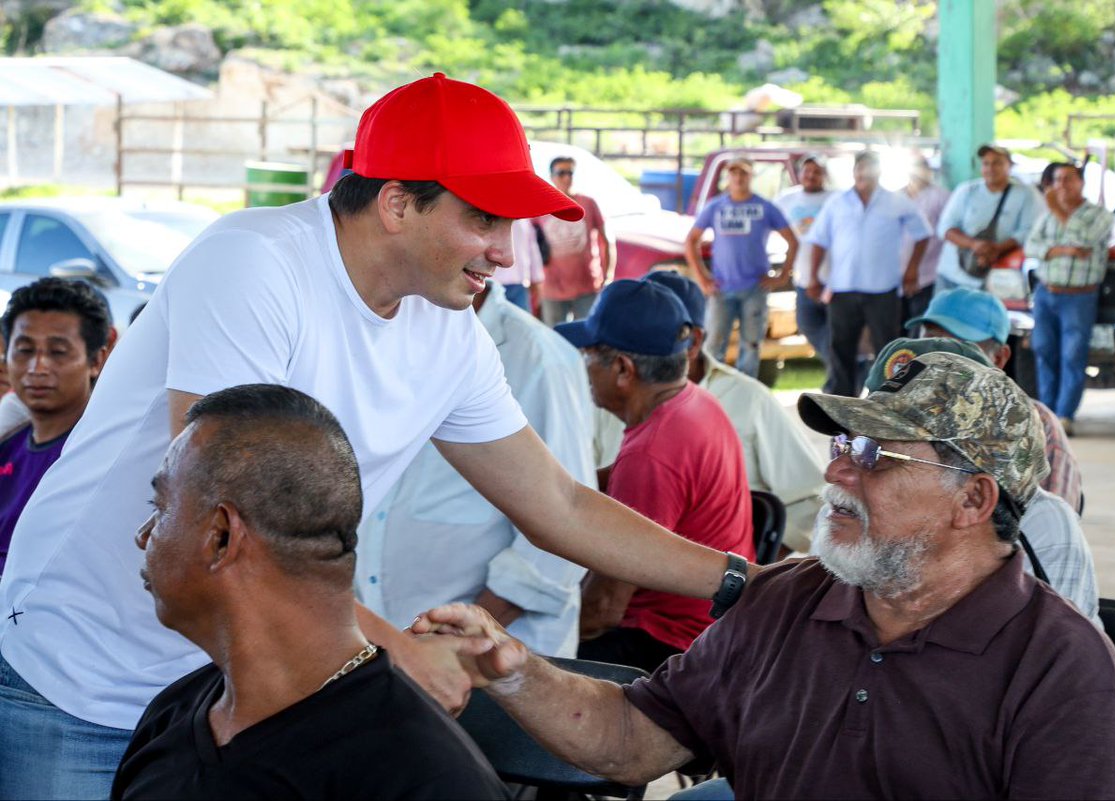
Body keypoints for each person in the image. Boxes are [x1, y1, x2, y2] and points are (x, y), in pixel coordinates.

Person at [0, 74, 746, 800]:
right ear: (396, 203)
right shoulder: (255, 263)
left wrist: (741, 581)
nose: (507, 252)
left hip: (240, 685)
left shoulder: (448, 328)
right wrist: (387, 649)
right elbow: (223, 507)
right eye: (485, 219)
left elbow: (558, 503)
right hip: (83, 675)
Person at [418, 352, 1115, 799]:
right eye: (843, 442)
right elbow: (635, 736)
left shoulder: (1063, 675)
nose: (836, 468)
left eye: (876, 454)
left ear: (974, 499)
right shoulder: (789, 599)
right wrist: (515, 670)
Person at [112, 384, 507, 800]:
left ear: (222, 538)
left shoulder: (427, 776)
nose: (143, 536)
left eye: (160, 508)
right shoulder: (173, 713)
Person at [356, 279, 593, 657]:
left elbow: (561, 541)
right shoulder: (382, 340)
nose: (503, 252)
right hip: (385, 649)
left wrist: (456, 643)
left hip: (496, 660)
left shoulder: (538, 358)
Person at [557, 279, 755, 673]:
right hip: (718, 624)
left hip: (670, 645)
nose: (584, 368)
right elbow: (615, 483)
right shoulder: (696, 402)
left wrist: (527, 642)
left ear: (622, 369)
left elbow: (603, 608)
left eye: (589, 355)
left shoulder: (650, 454)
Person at [857, 337, 1099, 626]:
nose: (839, 472)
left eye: (884, 453)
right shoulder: (850, 503)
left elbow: (1051, 650)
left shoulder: (1042, 522)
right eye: (858, 441)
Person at [594, 271, 826, 553]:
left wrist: (754, 573)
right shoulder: (608, 399)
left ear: (692, 341)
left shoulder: (744, 400)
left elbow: (808, 502)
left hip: (689, 575)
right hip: (624, 550)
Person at [905, 287, 1082, 512]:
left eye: (959, 348)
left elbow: (1051, 532)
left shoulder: (1037, 426)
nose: (940, 357)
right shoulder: (898, 412)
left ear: (999, 358)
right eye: (930, 342)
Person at [0, 278, 112, 574]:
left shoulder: (104, 457)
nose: (37, 367)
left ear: (96, 361)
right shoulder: (8, 445)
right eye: (24, 350)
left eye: (58, 352)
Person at [806, 150, 932, 397]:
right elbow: (818, 240)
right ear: (854, 172)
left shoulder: (896, 201)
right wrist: (812, 277)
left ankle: (886, 404)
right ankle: (842, 405)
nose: (864, 173)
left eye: (870, 168)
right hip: (842, 289)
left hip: (882, 290)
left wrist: (912, 270)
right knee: (841, 349)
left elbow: (922, 233)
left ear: (879, 172)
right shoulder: (837, 202)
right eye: (860, 168)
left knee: (887, 350)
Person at [685, 157, 798, 379]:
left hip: (754, 288)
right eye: (734, 173)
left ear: (751, 176)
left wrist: (783, 275)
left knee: (751, 343)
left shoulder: (764, 207)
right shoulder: (716, 207)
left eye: (743, 173)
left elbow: (792, 240)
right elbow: (691, 240)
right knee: (714, 342)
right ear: (728, 177)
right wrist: (702, 276)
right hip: (721, 287)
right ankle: (711, 386)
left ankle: (746, 386)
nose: (738, 178)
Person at [1024, 163, 1115, 435]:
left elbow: (1084, 240)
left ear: (1081, 183)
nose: (1062, 185)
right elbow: (1032, 246)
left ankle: (1065, 415)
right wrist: (1062, 250)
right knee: (1044, 352)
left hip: (1079, 296)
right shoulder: (1047, 216)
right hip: (1046, 292)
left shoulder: (1099, 215)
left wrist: (1058, 214)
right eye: (1058, 180)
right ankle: (1046, 413)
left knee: (1073, 355)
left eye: (1068, 180)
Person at [936, 144, 1043, 292]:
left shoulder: (1026, 194)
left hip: (995, 279)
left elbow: (1029, 230)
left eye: (997, 163)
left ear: (1010, 166)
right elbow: (945, 228)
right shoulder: (966, 190)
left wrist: (996, 249)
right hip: (951, 275)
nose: (991, 168)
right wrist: (974, 245)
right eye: (986, 163)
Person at [775, 155, 835, 368]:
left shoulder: (836, 198)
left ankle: (840, 373)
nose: (811, 176)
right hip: (802, 278)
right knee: (806, 324)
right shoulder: (786, 199)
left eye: (817, 172)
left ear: (824, 176)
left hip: (833, 280)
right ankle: (838, 366)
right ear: (800, 174)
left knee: (835, 330)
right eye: (807, 171)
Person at [538, 156, 611, 325]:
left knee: (589, 339)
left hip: (587, 286)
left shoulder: (588, 203)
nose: (567, 178)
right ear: (552, 176)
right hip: (552, 288)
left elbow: (607, 241)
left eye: (570, 173)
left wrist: (608, 276)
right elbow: (529, 243)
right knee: (554, 339)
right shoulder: (542, 206)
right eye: (561, 173)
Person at [900, 154, 950, 332]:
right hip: (895, 277)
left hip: (927, 275)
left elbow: (946, 233)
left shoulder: (941, 197)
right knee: (896, 329)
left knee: (919, 326)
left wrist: (914, 269)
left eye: (922, 166)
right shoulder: (896, 196)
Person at [497, 217, 544, 314]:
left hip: (518, 282)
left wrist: (537, 279)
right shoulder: (524, 221)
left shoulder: (525, 220)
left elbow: (532, 250)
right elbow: (532, 250)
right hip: (495, 282)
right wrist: (537, 278)